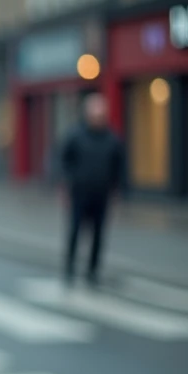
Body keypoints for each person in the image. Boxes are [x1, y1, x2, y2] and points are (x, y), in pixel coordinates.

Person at [61, 92, 125, 286]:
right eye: (94, 114)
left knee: (98, 235)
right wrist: (69, 182)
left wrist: (116, 190)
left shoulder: (112, 139)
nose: (97, 118)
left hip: (101, 194)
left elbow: (119, 166)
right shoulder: (75, 135)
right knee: (75, 231)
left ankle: (92, 271)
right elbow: (64, 160)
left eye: (100, 114)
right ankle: (69, 268)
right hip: (80, 193)